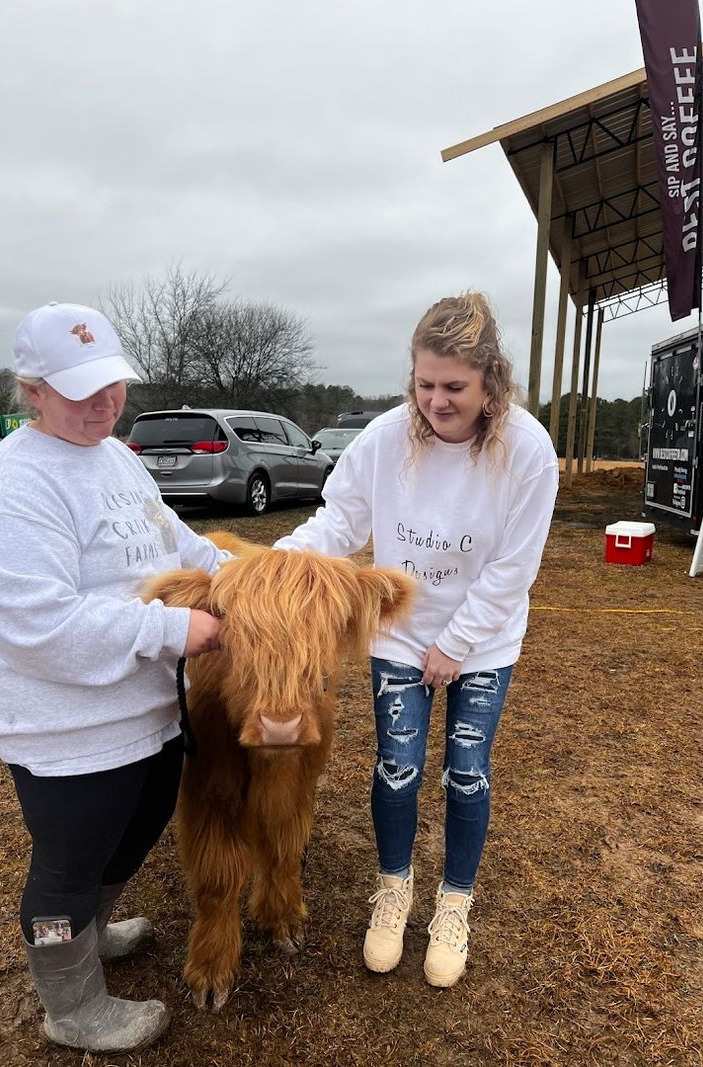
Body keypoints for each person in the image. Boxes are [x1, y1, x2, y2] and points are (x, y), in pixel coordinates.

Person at [275, 291, 558, 987]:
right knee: (397, 764)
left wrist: (457, 643)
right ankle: (393, 889)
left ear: (491, 379)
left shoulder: (528, 450)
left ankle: (454, 900)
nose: (437, 401)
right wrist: (274, 566)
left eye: (454, 387)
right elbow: (338, 522)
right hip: (401, 636)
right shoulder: (384, 439)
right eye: (425, 384)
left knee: (467, 767)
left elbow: (514, 568)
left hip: (484, 640)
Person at [0, 302, 227, 1053]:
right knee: (69, 863)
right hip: (70, 730)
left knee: (133, 834)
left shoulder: (118, 457)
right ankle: (72, 1004)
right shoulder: (16, 483)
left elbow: (177, 542)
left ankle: (89, 933)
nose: (104, 402)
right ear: (32, 388)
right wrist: (172, 630)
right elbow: (39, 623)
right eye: (78, 388)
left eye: (113, 384)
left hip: (146, 709)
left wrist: (248, 580)